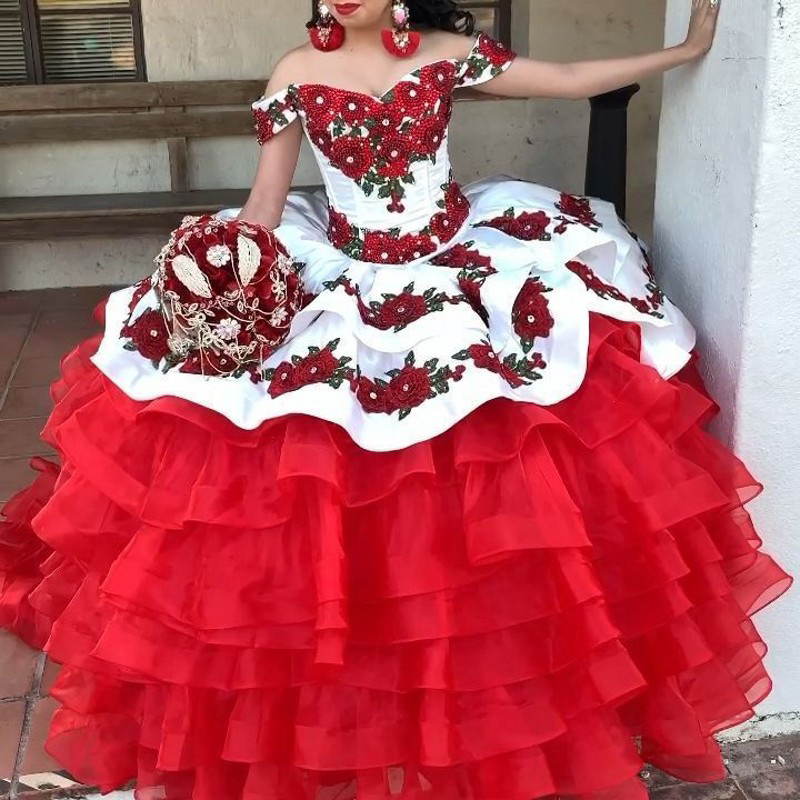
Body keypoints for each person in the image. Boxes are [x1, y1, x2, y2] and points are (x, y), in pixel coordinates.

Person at [0, 1, 792, 799]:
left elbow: (570, 77)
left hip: (454, 257)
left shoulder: (450, 52)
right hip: (341, 264)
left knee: (512, 422)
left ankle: (486, 658)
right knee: (280, 431)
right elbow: (266, 202)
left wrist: (686, 48)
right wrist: (227, 271)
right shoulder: (297, 70)